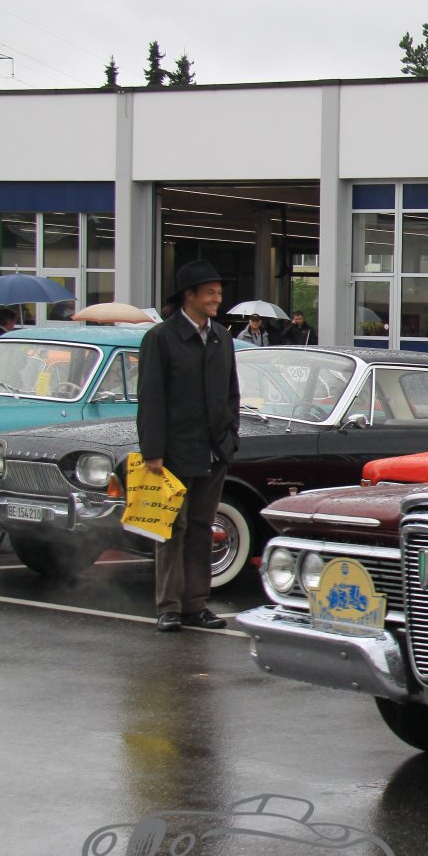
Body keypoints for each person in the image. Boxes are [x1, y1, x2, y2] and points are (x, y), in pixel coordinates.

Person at [138, 259, 241, 634]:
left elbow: (231, 393)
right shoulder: (161, 338)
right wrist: (153, 451)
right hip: (174, 452)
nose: (217, 299)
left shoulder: (222, 337)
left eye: (219, 292)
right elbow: (150, 398)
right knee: (171, 529)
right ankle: (169, 607)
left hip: (214, 451)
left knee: (202, 528)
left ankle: (196, 604)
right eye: (210, 292)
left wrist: (230, 439)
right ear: (189, 295)